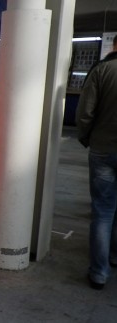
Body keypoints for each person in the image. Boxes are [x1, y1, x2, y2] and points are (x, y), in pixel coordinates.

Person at [75, 36, 117, 290]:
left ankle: (99, 273)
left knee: (102, 211)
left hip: (103, 149)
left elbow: (85, 112)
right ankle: (114, 256)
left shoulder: (101, 70)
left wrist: (86, 137)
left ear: (114, 45)